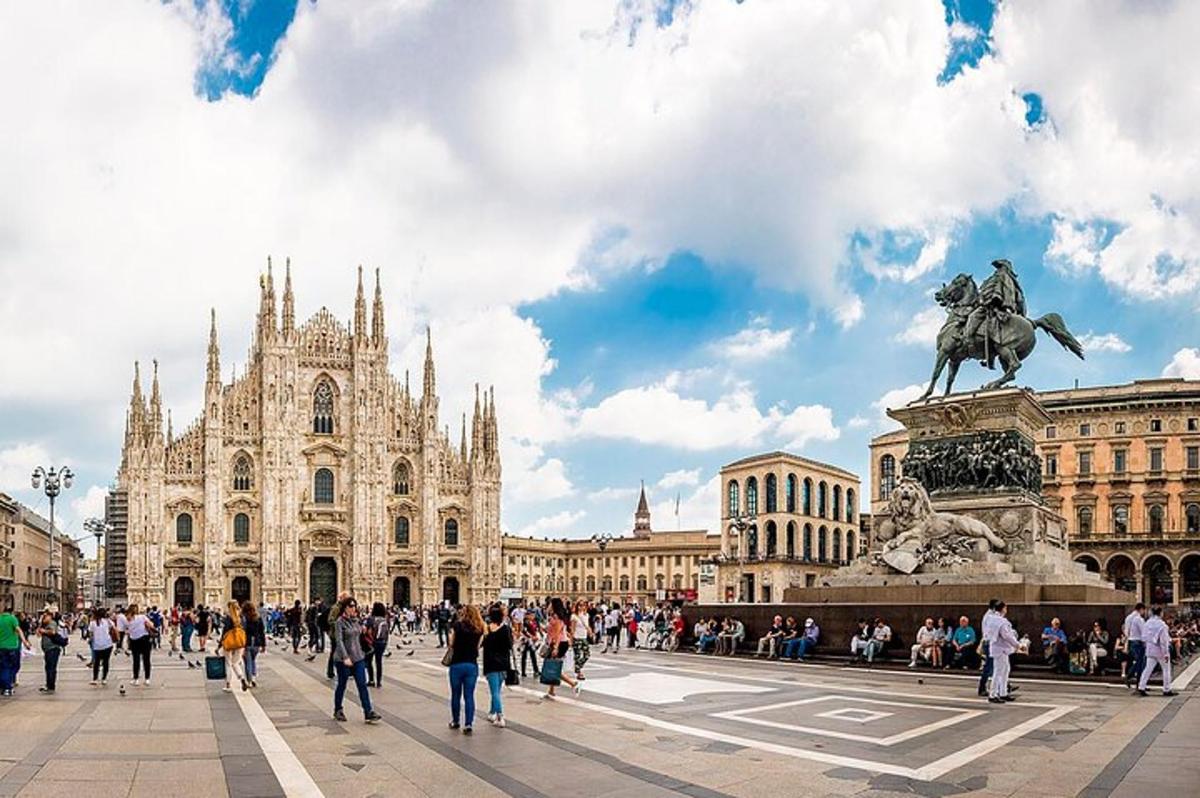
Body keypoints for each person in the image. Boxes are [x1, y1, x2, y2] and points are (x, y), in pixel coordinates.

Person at [332, 598, 381, 723]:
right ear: (345, 608)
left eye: (355, 606)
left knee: (362, 685)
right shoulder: (339, 622)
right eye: (351, 606)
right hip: (344, 660)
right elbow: (339, 641)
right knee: (342, 685)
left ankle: (368, 711)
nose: (354, 608)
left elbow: (360, 636)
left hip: (358, 657)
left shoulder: (356, 621)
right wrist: (345, 657)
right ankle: (338, 709)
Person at [447, 605, 484, 733]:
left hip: (457, 664)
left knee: (456, 695)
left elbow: (451, 643)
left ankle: (455, 721)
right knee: (469, 696)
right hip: (471, 665)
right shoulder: (479, 629)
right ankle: (468, 724)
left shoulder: (457, 626)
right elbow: (478, 647)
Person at [482, 604, 514, 728]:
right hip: (503, 663)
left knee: (494, 692)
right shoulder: (506, 629)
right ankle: (491, 712)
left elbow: (482, 644)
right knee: (497, 691)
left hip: (491, 663)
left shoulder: (487, 629)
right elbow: (510, 645)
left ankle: (500, 716)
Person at [543, 597, 580, 699]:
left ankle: (573, 684)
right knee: (553, 666)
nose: (549, 605)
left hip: (559, 643)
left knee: (555, 668)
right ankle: (551, 691)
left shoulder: (556, 616)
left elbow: (558, 633)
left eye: (550, 604)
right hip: (559, 642)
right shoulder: (555, 616)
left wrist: (555, 647)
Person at [1137, 606, 1178, 698]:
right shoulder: (1162, 625)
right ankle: (1166, 689)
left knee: (1148, 669)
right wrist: (1166, 653)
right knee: (1166, 670)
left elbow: (1143, 637)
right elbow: (1163, 641)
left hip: (1150, 649)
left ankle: (1141, 687)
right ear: (1160, 613)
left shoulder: (1147, 623)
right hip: (1160, 651)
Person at [987, 601, 1020, 704]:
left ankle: (1003, 692)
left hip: (999, 648)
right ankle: (993, 694)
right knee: (999, 671)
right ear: (1002, 609)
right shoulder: (1001, 621)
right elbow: (1007, 635)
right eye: (1005, 608)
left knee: (1005, 670)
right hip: (1001, 648)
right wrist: (1017, 645)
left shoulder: (991, 619)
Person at [218, 600, 249, 692]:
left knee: (228, 663)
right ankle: (242, 678)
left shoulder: (228, 618)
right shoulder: (242, 618)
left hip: (229, 642)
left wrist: (219, 645)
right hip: (239, 642)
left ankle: (228, 685)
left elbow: (225, 632)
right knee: (236, 663)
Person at [125, 603, 155, 686]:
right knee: (146, 659)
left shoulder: (127, 619)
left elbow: (126, 630)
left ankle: (136, 679)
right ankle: (147, 679)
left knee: (136, 660)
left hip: (134, 641)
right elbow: (151, 625)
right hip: (145, 639)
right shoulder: (142, 617)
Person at [36, 611, 65, 693]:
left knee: (51, 668)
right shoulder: (45, 624)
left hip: (53, 648)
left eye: (46, 616)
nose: (44, 618)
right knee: (48, 667)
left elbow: (52, 632)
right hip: (48, 649)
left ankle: (51, 686)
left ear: (50, 617)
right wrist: (41, 625)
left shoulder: (52, 623)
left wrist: (43, 631)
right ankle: (49, 685)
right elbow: (38, 634)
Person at [88, 607, 116, 687]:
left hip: (97, 645)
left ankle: (95, 679)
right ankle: (104, 679)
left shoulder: (93, 623)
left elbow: (90, 634)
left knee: (96, 662)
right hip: (108, 644)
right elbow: (114, 628)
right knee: (106, 662)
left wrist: (90, 640)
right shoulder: (108, 621)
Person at [1123, 603, 1147, 689]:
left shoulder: (1128, 618)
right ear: (1141, 609)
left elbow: (1126, 631)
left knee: (1138, 661)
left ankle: (1136, 680)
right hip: (1138, 641)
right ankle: (1135, 679)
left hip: (1131, 641)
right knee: (1141, 662)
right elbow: (1143, 631)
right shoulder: (1139, 619)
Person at [242, 601, 266, 688]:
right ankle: (254, 677)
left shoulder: (244, 619)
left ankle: (249, 680)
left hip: (247, 643)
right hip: (256, 643)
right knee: (252, 660)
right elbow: (262, 632)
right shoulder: (258, 618)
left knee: (248, 662)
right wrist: (263, 645)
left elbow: (242, 632)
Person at [366, 602, 389, 688]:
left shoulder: (371, 619)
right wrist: (385, 643)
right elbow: (387, 633)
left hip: (372, 642)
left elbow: (367, 630)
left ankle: (371, 679)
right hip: (382, 642)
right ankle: (379, 682)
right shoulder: (385, 620)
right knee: (378, 662)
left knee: (369, 661)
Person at [570, 600, 591, 679]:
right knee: (577, 655)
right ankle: (579, 673)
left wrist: (590, 632)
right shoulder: (574, 616)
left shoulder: (586, 615)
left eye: (583, 605)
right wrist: (571, 640)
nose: (581, 607)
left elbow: (587, 625)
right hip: (577, 638)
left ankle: (577, 667)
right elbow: (572, 629)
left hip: (584, 637)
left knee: (587, 655)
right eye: (580, 605)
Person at [520, 611, 541, 677]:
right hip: (526, 641)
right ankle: (523, 671)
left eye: (533, 615)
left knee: (533, 656)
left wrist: (537, 636)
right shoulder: (525, 622)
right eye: (531, 615)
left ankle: (536, 670)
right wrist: (531, 637)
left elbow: (536, 629)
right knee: (524, 656)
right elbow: (524, 631)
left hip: (532, 641)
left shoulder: (534, 622)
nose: (533, 616)